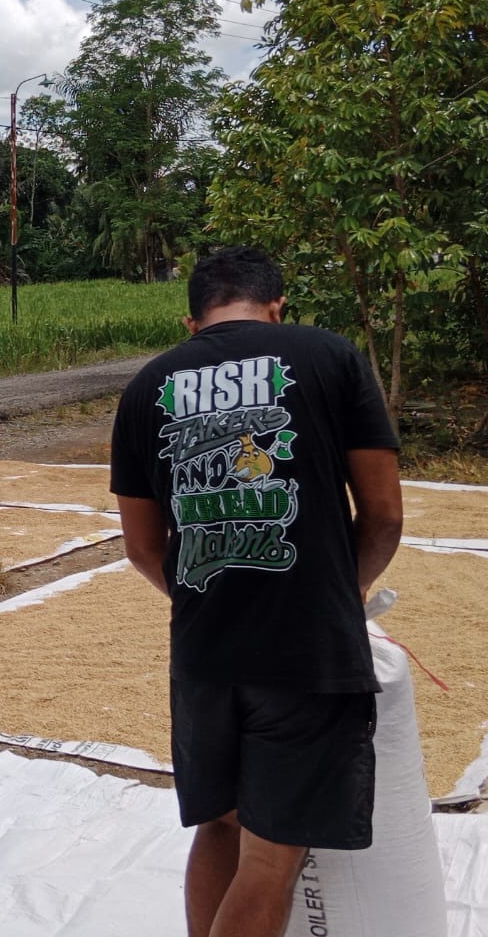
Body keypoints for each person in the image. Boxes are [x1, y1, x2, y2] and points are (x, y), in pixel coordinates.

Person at [109, 245, 404, 937]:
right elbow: (385, 516)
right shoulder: (329, 355)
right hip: (306, 652)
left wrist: (208, 598)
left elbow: (142, 548)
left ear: (192, 322)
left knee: (219, 826)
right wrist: (339, 595)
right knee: (271, 859)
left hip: (203, 653)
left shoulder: (146, 386)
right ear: (277, 307)